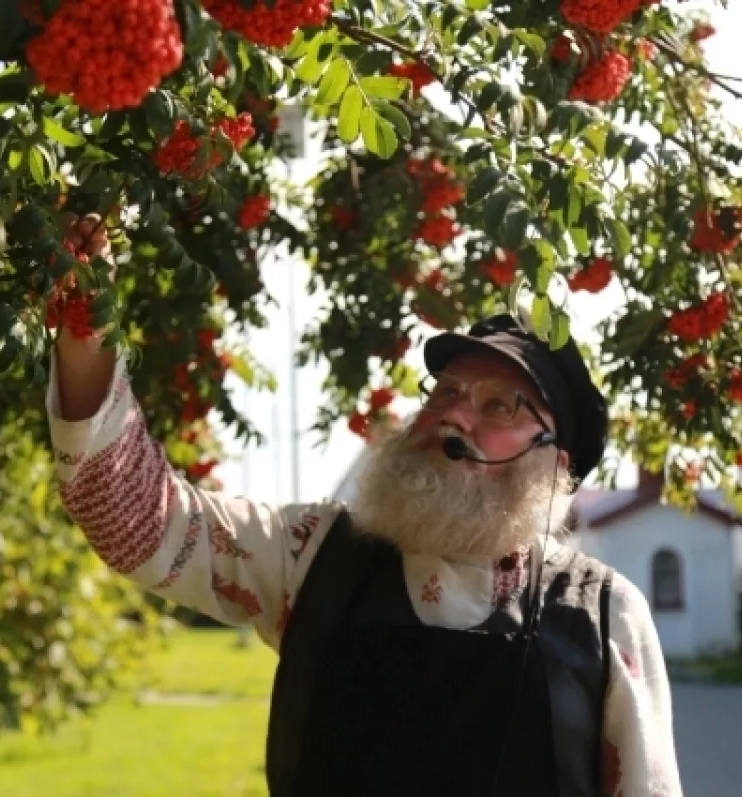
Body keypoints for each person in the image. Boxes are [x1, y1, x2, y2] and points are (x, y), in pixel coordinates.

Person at [49, 217, 683, 796]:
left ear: (557, 464)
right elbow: (135, 518)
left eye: (499, 407)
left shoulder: (603, 615)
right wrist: (86, 334)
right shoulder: (312, 555)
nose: (455, 413)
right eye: (449, 391)